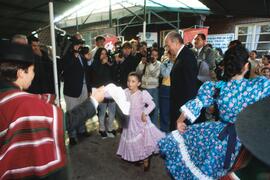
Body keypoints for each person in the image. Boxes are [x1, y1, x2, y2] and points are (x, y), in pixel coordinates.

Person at [158, 45, 270, 179]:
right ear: (246, 66)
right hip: (248, 141)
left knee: (210, 170)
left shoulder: (216, 87)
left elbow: (197, 103)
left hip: (220, 137)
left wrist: (179, 121)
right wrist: (260, 72)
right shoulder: (259, 86)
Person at [0, 41, 105, 180]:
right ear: (20, 73)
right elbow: (67, 121)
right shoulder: (25, 104)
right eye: (32, 70)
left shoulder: (5, 96)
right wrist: (93, 101)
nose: (33, 75)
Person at [117, 72, 165, 171]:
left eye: (133, 81)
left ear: (138, 83)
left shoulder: (142, 94)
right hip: (129, 121)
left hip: (139, 122)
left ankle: (146, 159)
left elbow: (152, 104)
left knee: (142, 142)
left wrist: (145, 113)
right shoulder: (126, 91)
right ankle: (137, 157)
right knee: (133, 142)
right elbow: (114, 94)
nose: (130, 83)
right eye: (129, 81)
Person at [164, 31, 198, 131]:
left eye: (168, 45)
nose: (167, 48)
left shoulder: (187, 57)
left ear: (176, 42)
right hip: (178, 107)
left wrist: (183, 116)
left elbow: (190, 89)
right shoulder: (182, 56)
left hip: (183, 111)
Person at [62, 34, 92, 145]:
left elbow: (87, 73)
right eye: (78, 44)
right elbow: (66, 68)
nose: (80, 45)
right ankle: (72, 135)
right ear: (73, 44)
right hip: (72, 90)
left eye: (81, 43)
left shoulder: (82, 56)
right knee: (72, 113)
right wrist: (74, 55)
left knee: (82, 110)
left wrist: (89, 89)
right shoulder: (67, 56)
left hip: (84, 87)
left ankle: (82, 130)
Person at [91, 48, 116, 139]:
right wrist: (102, 64)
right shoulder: (95, 63)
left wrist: (109, 64)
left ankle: (110, 128)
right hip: (101, 91)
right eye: (102, 54)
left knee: (112, 111)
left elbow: (114, 74)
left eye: (105, 54)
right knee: (102, 112)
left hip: (111, 90)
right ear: (98, 54)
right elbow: (97, 76)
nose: (104, 55)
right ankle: (102, 129)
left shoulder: (108, 62)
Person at [136, 48, 161, 126]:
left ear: (158, 56)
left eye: (155, 55)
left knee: (154, 110)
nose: (153, 57)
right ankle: (144, 128)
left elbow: (155, 74)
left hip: (153, 89)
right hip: (143, 88)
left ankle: (154, 129)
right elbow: (138, 72)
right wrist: (142, 63)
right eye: (152, 55)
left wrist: (149, 63)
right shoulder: (145, 62)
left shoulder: (159, 64)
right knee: (143, 109)